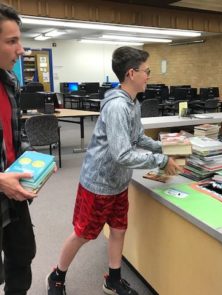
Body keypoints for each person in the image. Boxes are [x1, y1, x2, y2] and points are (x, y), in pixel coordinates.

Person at [47, 46, 182, 295]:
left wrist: (164, 146)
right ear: (131, 73)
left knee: (119, 229)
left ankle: (114, 279)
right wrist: (160, 161)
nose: (149, 75)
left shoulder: (133, 102)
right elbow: (123, 154)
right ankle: (56, 276)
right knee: (83, 234)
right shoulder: (117, 107)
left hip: (118, 182)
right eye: (147, 71)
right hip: (99, 183)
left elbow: (138, 137)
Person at [0, 3, 38, 294]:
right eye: (12, 41)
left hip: (14, 194)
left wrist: (32, 164)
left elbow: (15, 135)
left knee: (22, 257)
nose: (21, 49)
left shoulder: (9, 81)